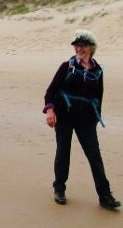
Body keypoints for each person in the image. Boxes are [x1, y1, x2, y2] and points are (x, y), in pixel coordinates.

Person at [43, 29, 121, 209]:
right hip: (65, 116)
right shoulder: (66, 66)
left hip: (86, 120)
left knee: (94, 156)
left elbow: (98, 98)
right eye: (76, 46)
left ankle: (105, 195)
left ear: (91, 48)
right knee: (63, 151)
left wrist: (95, 118)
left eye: (82, 46)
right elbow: (51, 92)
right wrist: (50, 110)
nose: (78, 49)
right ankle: (59, 188)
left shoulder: (98, 71)